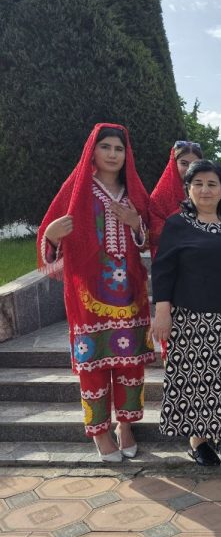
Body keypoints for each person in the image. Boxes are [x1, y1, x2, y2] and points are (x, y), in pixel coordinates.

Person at [38, 123, 154, 462]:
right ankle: (99, 430)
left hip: (130, 292)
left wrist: (136, 225)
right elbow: (49, 232)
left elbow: (151, 237)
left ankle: (126, 425)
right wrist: (52, 236)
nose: (113, 154)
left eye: (119, 149)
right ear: (94, 150)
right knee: (94, 363)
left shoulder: (133, 190)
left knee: (131, 363)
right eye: (106, 147)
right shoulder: (77, 188)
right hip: (89, 293)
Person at [152, 160, 221, 467]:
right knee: (197, 379)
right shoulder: (177, 225)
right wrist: (162, 310)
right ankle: (198, 439)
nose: (205, 189)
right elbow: (163, 269)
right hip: (194, 317)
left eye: (212, 184)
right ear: (188, 189)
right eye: (198, 183)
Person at [148, 141, 203, 256]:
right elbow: (153, 233)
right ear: (174, 163)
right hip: (170, 258)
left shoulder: (208, 191)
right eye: (184, 163)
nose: (190, 169)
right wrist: (183, 211)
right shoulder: (160, 195)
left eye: (195, 164)